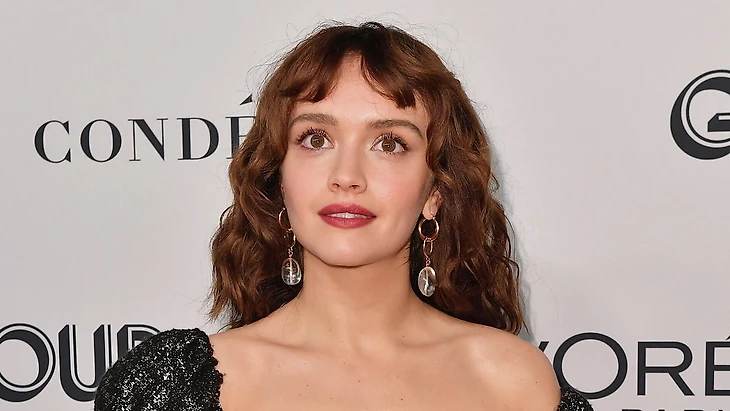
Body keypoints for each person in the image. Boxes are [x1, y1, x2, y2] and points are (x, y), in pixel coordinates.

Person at [94, 21, 593, 410]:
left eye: (389, 143)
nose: (347, 176)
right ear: (279, 177)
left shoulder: (512, 382)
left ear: (435, 192)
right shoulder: (176, 388)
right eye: (316, 139)